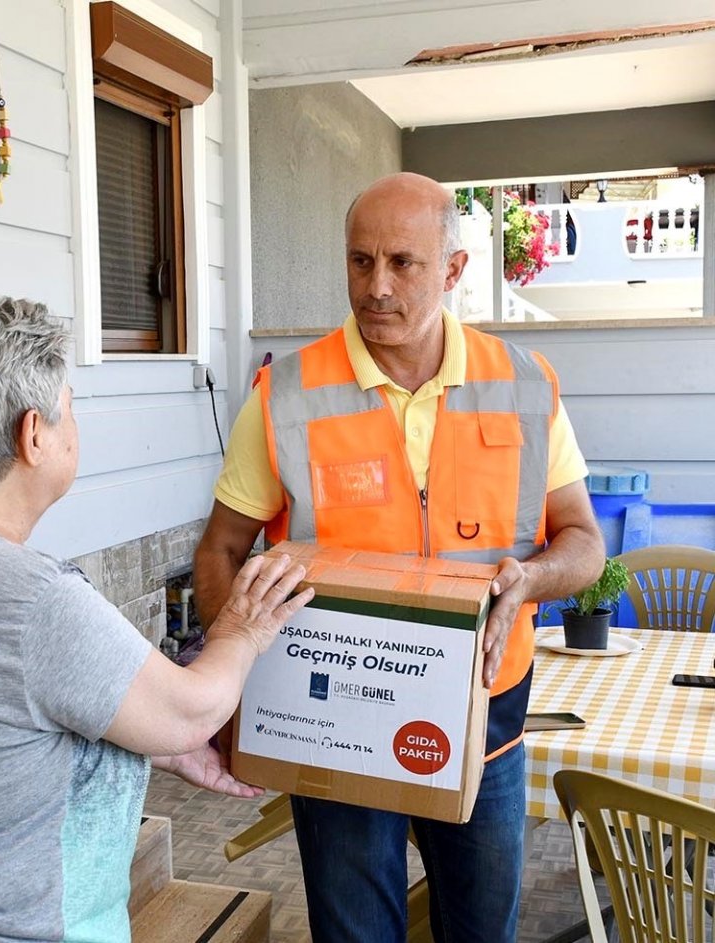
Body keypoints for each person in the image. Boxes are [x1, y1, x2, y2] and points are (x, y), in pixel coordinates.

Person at [0, 291, 315, 943]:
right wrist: (245, 627)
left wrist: (157, 748)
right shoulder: (29, 598)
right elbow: (192, 706)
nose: (74, 426)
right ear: (34, 434)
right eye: (69, 409)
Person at [192, 173, 605, 943]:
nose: (375, 286)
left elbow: (582, 540)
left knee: (481, 933)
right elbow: (220, 547)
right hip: (334, 721)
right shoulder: (285, 392)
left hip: (488, 722)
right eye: (359, 261)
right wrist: (232, 687)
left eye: (403, 264)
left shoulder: (522, 383)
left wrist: (532, 579)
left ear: (451, 271)